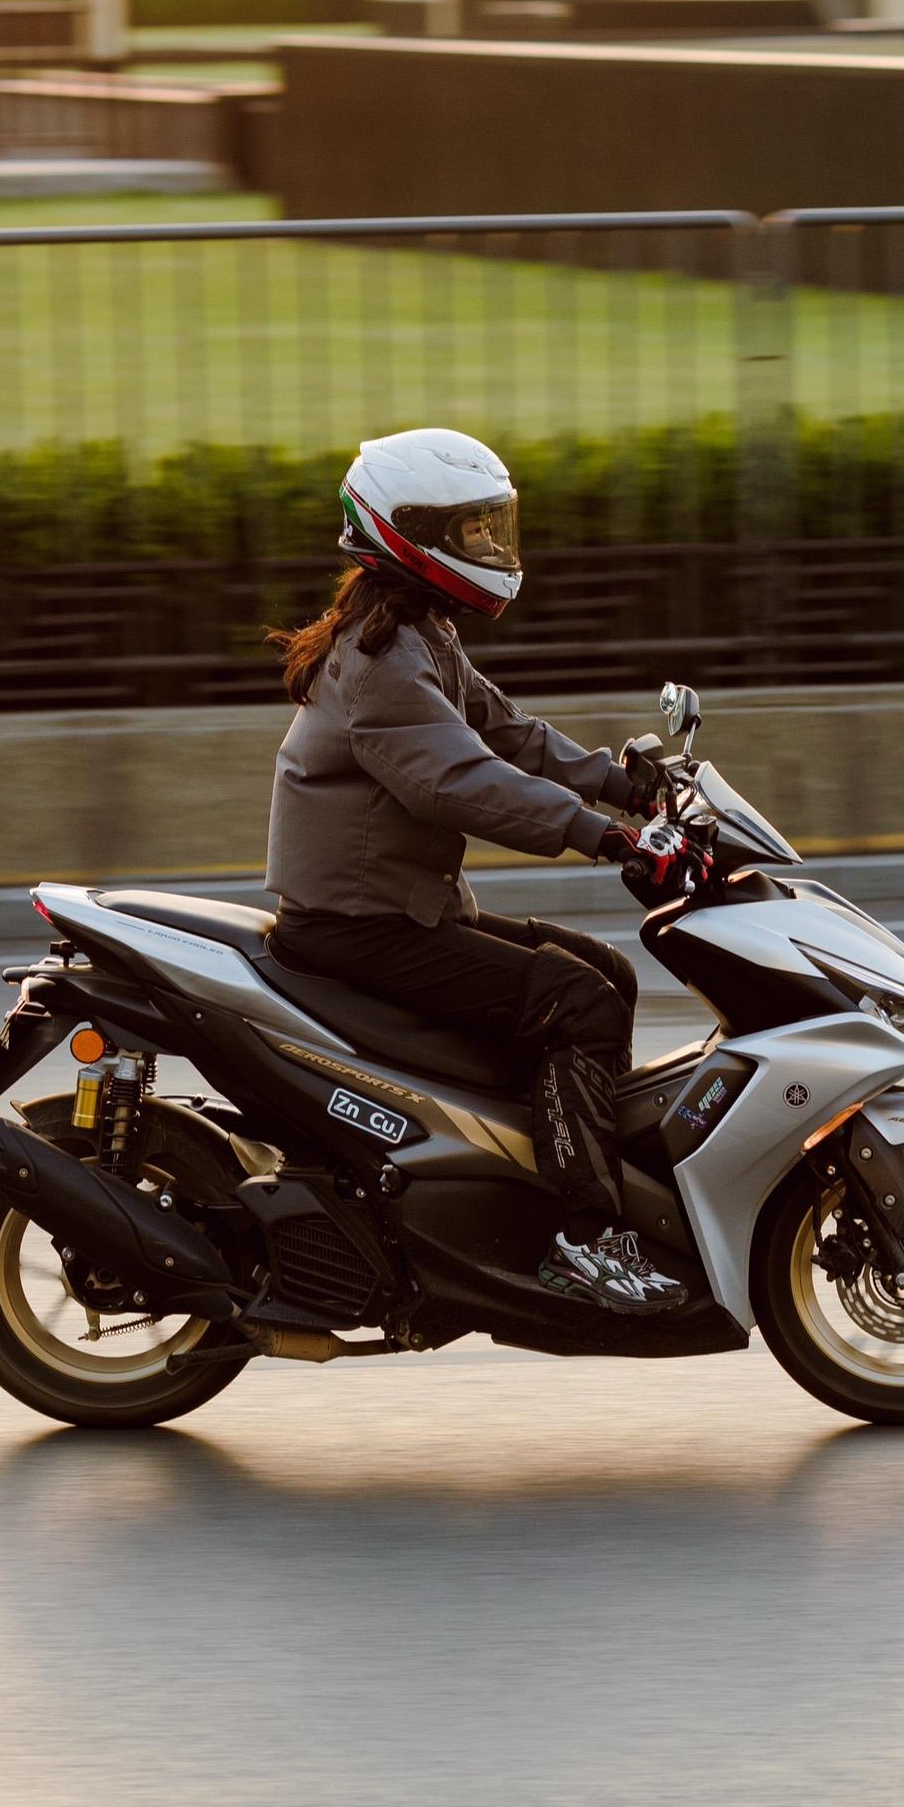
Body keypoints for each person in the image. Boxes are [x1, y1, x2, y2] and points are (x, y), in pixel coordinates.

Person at [264, 427, 686, 1316]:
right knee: (579, 1002)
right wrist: (603, 838)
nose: (491, 545)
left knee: (604, 972)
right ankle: (582, 1239)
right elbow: (461, 780)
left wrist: (626, 788)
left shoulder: (416, 631)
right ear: (409, 534)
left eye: (493, 526)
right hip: (359, 925)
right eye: (471, 530)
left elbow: (507, 732)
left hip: (400, 908)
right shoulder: (383, 662)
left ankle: (555, 1176)